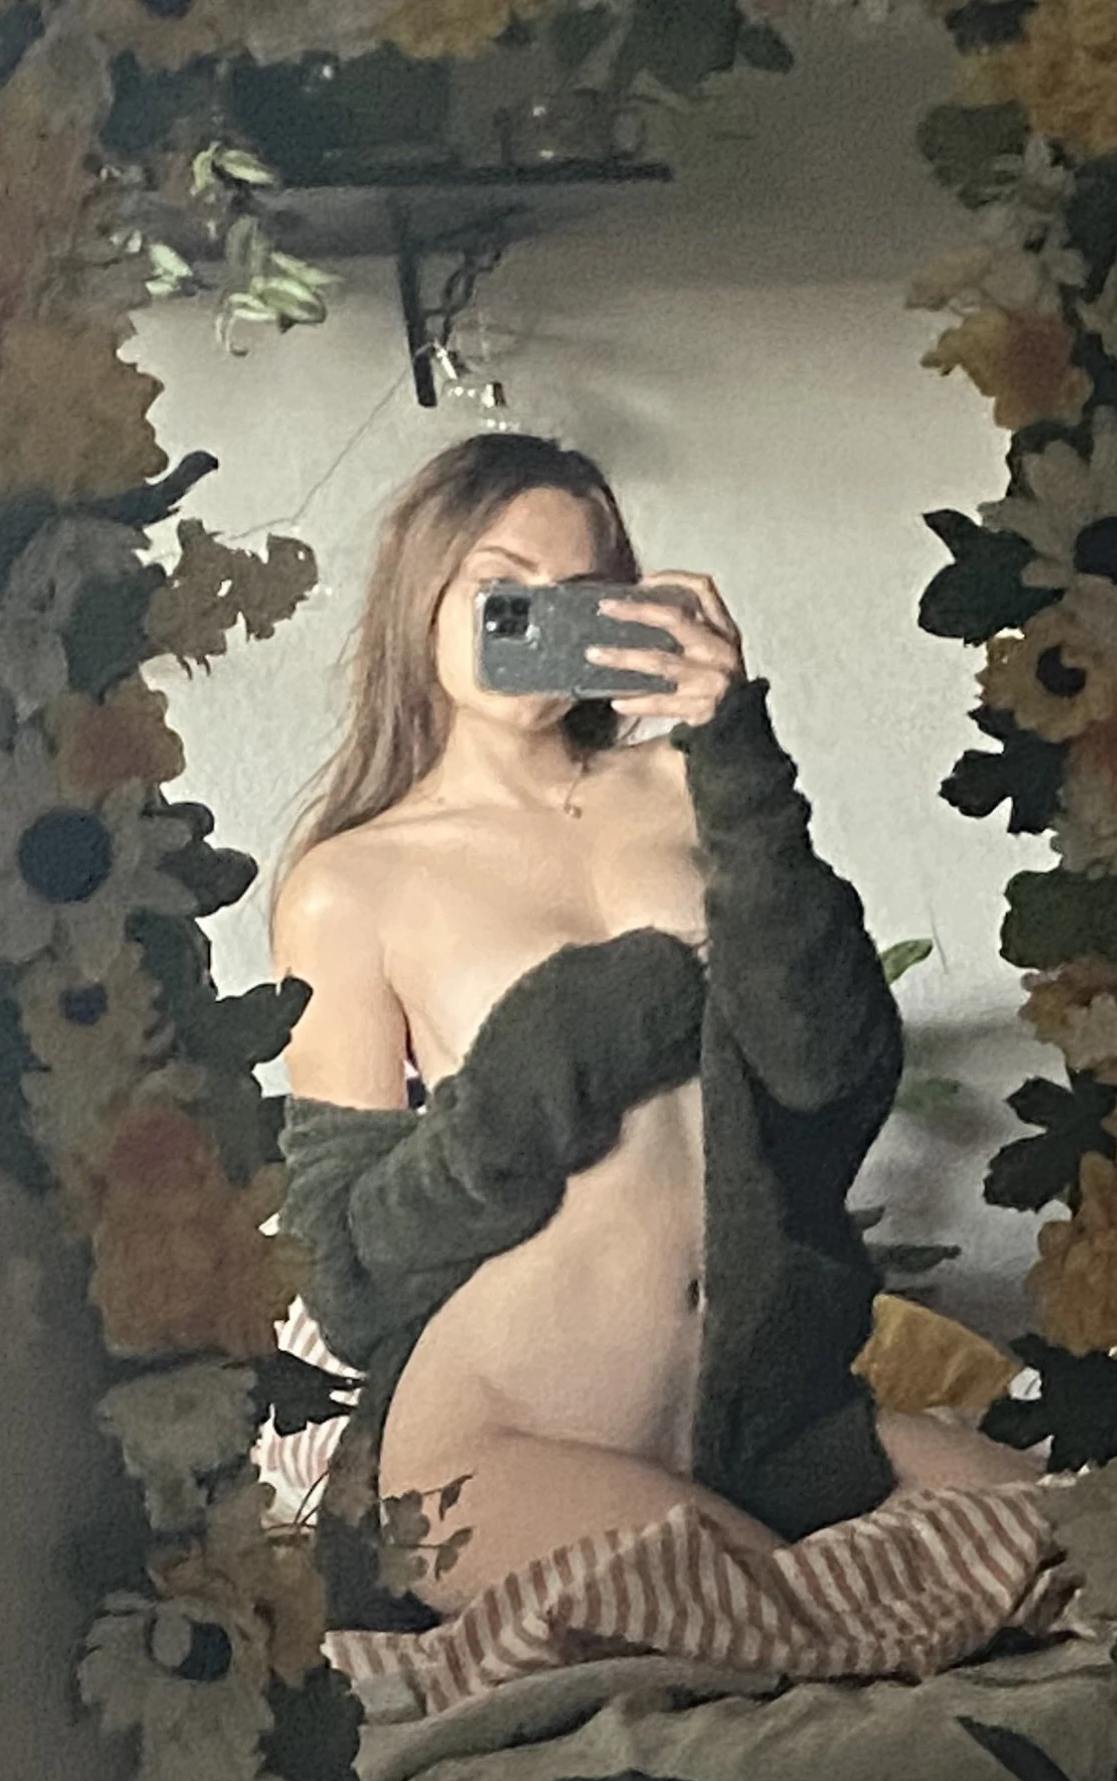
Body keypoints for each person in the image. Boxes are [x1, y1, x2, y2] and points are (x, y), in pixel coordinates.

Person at [269, 434, 1036, 1628]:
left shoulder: (687, 785)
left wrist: (732, 738)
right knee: (785, 1618)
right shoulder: (349, 885)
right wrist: (555, 1050)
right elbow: (349, 1272)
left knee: (1076, 1552)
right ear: (422, 594)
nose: (541, 619)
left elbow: (828, 1065)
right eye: (504, 585)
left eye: (582, 592)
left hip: (765, 1421)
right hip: (501, 1433)